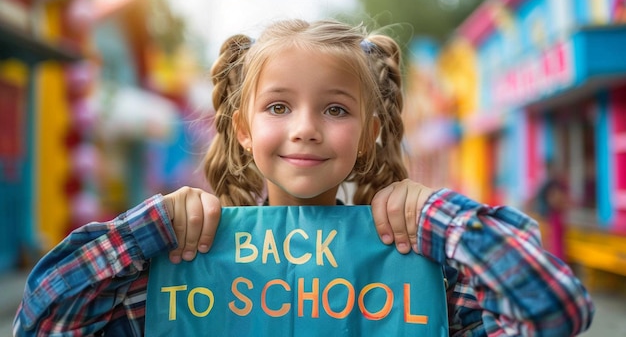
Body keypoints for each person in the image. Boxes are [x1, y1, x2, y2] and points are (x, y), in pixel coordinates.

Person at [13, 19, 593, 336]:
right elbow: (43, 321)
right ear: (241, 127)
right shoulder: (186, 260)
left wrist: (436, 217)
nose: (306, 129)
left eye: (336, 109)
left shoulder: (421, 267)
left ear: (369, 130)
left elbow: (552, 309)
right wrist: (151, 227)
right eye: (278, 107)